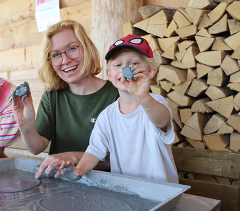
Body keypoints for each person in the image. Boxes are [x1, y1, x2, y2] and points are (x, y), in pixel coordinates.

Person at [55, 34, 179, 183]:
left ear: (151, 71)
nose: (125, 68)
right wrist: (79, 170)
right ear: (109, 74)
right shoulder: (107, 115)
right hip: (126, 191)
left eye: (134, 63)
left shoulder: (155, 103)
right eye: (118, 65)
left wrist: (143, 96)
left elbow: (162, 121)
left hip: (162, 192)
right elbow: (95, 150)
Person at [12, 20, 119, 178]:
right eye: (56, 55)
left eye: (72, 48)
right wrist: (26, 127)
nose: (65, 60)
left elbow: (122, 158)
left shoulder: (117, 94)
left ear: (87, 48)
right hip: (61, 183)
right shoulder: (52, 95)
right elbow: (36, 148)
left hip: (108, 187)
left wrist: (73, 156)